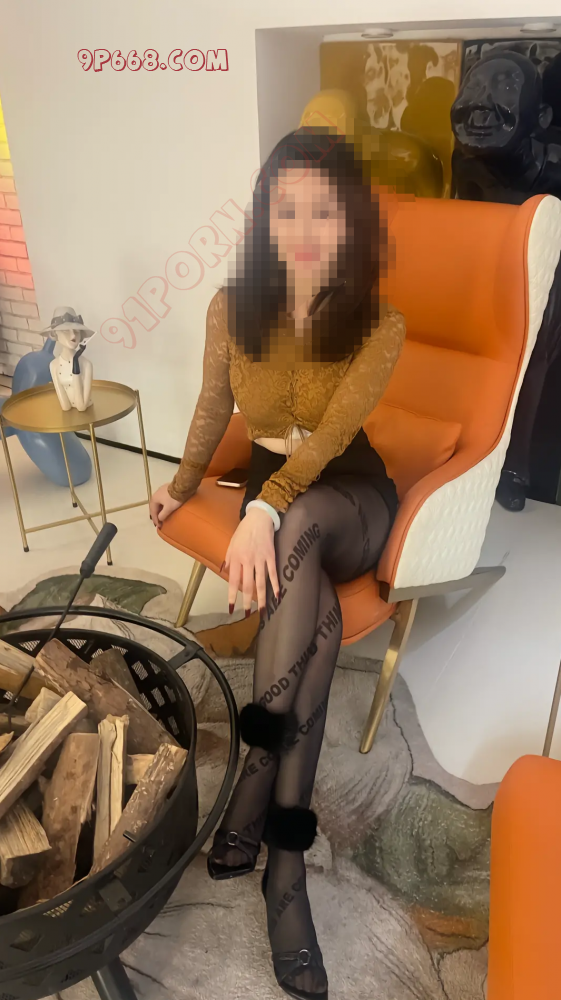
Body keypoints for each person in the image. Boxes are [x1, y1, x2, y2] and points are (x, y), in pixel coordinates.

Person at [149, 128, 406, 1000]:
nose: (301, 229)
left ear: (350, 223)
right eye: (285, 209)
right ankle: (284, 859)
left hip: (349, 496)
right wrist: (183, 483)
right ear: (263, 218)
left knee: (297, 525)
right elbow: (210, 403)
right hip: (279, 495)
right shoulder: (232, 307)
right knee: (317, 627)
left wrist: (261, 509)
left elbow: (330, 440)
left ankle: (254, 788)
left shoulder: (378, 323)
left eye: (322, 212)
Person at [451, 50, 561, 511]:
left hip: (545, 277)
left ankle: (515, 469)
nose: (482, 103)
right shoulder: (466, 160)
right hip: (489, 268)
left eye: (505, 88)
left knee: (536, 347)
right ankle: (469, 454)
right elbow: (464, 221)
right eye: (475, 88)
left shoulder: (554, 164)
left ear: (542, 117)